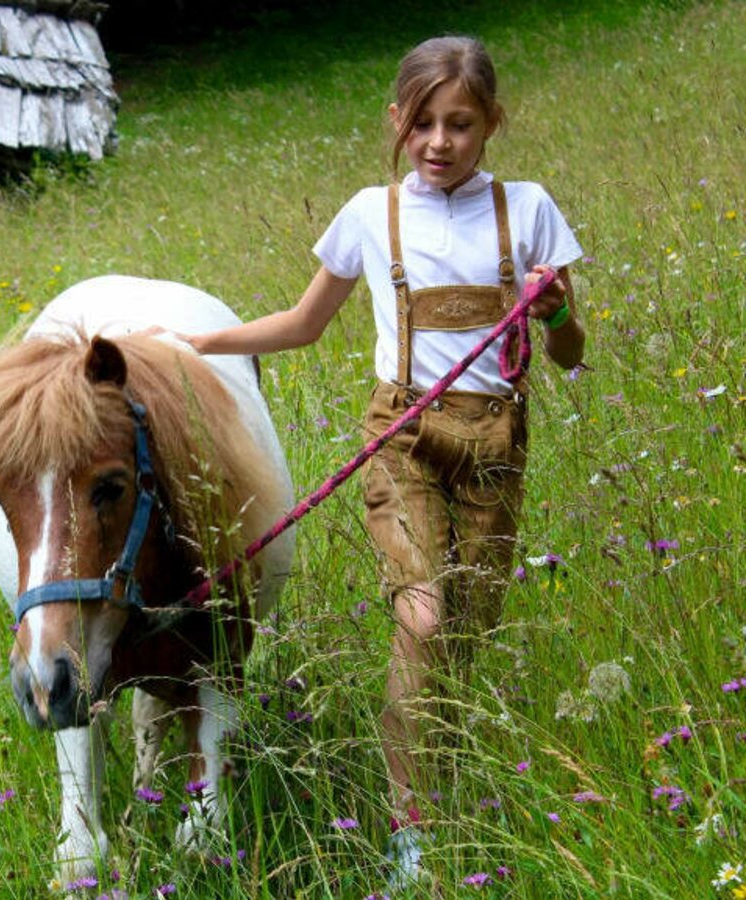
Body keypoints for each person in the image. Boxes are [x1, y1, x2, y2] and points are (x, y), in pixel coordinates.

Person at [174, 35, 585, 890]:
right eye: (424, 122)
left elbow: (572, 352)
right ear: (397, 120)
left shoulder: (530, 210)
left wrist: (551, 314)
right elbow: (302, 322)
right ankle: (410, 835)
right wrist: (195, 343)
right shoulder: (373, 213)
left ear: (492, 123)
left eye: (461, 124)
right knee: (423, 617)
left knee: (464, 638)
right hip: (402, 436)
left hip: (498, 443)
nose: (441, 142)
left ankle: (445, 782)